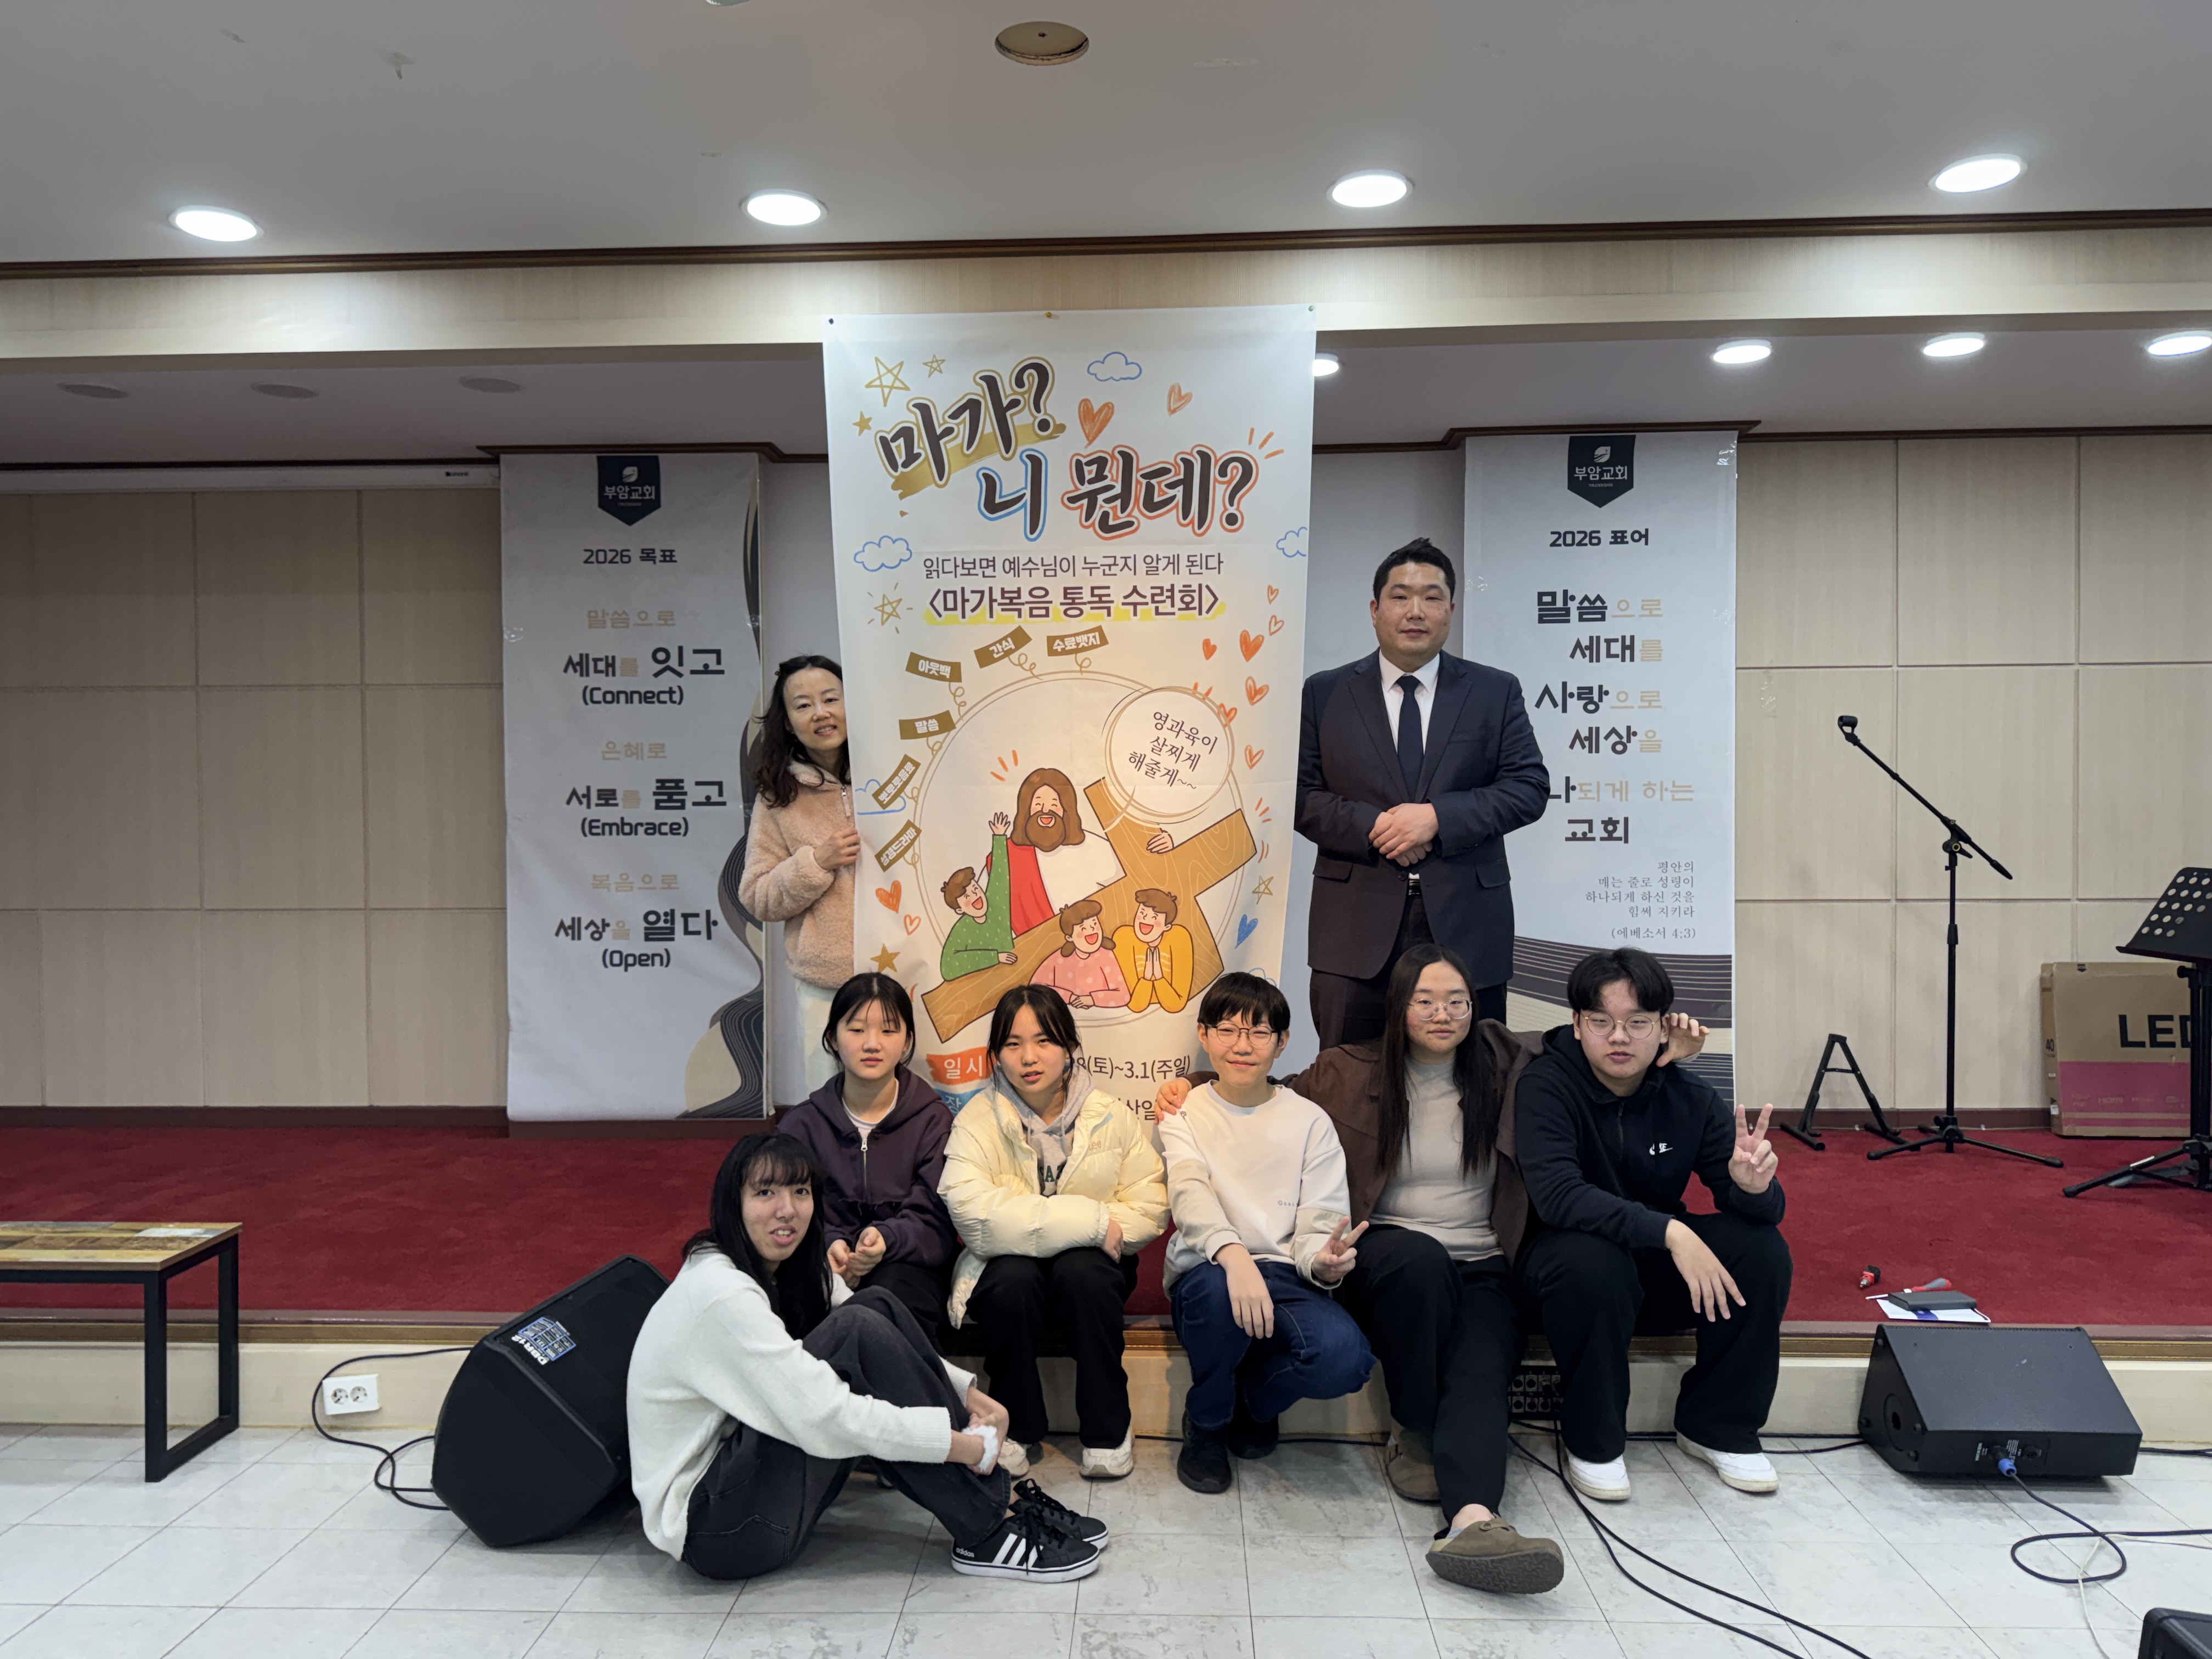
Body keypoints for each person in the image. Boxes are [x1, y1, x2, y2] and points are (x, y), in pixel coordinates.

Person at [1155, 945, 1706, 1589]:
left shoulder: (1509, 1061)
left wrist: (1668, 1043)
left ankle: (1472, 1522)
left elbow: (1591, 1042)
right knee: (1419, 1263)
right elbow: (1264, 1092)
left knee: (1479, 1371)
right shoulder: (1348, 1071)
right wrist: (1193, 1086)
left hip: (1482, 1261)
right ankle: (1414, 1424)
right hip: (1390, 1254)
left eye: (1456, 1001)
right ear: (1398, 1006)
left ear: (1475, 1008)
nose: (1442, 1014)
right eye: (1425, 1000)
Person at [626, 1133, 1108, 1584]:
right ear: (733, 1204)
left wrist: (973, 1398)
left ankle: (999, 1502)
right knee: (856, 1329)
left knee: (874, 1305)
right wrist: (959, 1445)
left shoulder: (793, 1267)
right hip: (718, 1528)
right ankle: (988, 1526)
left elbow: (878, 1331)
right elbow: (825, 1415)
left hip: (751, 1484)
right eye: (765, 1193)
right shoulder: (720, 1294)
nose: (787, 1210)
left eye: (800, 1191)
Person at [1514, 947, 1790, 1503]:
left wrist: (1753, 1188)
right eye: (1602, 1022)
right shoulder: (1546, 1086)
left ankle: (1719, 1425)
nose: (1619, 1038)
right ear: (1577, 1024)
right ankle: (1593, 1441)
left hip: (1650, 1268)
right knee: (1591, 1263)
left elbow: (1758, 1206)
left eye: (1638, 1023)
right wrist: (1672, 1231)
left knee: (1759, 1249)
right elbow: (1559, 1197)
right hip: (1565, 1271)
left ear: (1664, 1028)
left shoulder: (1690, 1098)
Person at [1296, 537, 1549, 1049]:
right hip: (1354, 929)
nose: (1416, 611)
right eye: (1401, 596)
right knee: (1350, 1077)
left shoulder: (1494, 691)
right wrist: (1377, 827)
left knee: (1475, 1076)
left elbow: (1528, 787)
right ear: (1375, 610)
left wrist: (1437, 818)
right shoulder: (1325, 692)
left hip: (1467, 924)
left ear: (1451, 609)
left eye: (1432, 597)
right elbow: (1300, 796)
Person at [939, 984, 1169, 1481]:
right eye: (1013, 1044)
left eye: (1044, 1040)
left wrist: (1088, 1235)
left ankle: (1108, 1430)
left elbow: (1150, 1203)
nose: (1029, 1057)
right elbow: (971, 1212)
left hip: (1089, 1271)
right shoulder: (977, 1119)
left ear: (1069, 1046)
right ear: (996, 1055)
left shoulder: (1109, 1114)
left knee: (1084, 1273)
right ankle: (1015, 1425)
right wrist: (1090, 1223)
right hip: (1005, 1266)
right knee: (1012, 1282)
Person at [1159, 972, 1377, 1496]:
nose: (1242, 1046)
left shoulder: (1310, 1121)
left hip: (1288, 1277)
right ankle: (1208, 1422)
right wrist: (1235, 1258)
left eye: (1259, 1033)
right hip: (1209, 1271)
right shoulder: (1184, 1110)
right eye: (1228, 1030)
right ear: (1204, 1034)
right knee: (1218, 1294)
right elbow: (1189, 1193)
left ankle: (1254, 1402)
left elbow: (1321, 1218)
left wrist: (1323, 1262)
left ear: (1281, 1043)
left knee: (1346, 1360)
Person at [778, 973, 960, 1352]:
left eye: (889, 1031)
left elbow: (936, 1222)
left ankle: (913, 1390)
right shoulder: (801, 1126)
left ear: (907, 1041)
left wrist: (886, 1240)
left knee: (890, 1297)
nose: (872, 1044)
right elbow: (785, 1210)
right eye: (857, 1029)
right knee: (799, 1296)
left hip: (908, 1265)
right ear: (833, 1038)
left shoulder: (933, 1121)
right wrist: (829, 1245)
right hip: (822, 1263)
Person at [740, 655, 859, 1093]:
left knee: (908, 1100)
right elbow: (757, 895)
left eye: (831, 699)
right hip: (827, 984)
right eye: (804, 705)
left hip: (907, 971)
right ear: (788, 723)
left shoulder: (896, 775)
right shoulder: (779, 796)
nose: (821, 713)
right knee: (828, 1103)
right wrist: (816, 863)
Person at [940, 814, 1020, 981]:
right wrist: (995, 957)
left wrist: (999, 837)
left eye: (975, 888)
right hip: (984, 983)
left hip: (1016, 972)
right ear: (960, 909)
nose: (975, 895)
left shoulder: (995, 905)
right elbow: (948, 967)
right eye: (967, 896)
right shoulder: (962, 929)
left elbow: (999, 876)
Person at [1029, 898, 1132, 1008]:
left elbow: (1124, 995)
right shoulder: (1057, 959)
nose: (1091, 930)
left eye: (1094, 924)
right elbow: (1034, 990)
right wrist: (1070, 997)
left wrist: (1092, 999)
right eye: (1083, 928)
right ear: (1069, 938)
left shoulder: (1106, 955)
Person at [1112, 888, 1194, 1013]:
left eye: (1154, 917)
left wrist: (1159, 978)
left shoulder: (1179, 937)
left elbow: (1177, 1004)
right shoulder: (1123, 937)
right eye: (1142, 913)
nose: (1146, 920)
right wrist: (1146, 979)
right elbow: (1135, 1004)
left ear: (1167, 927)